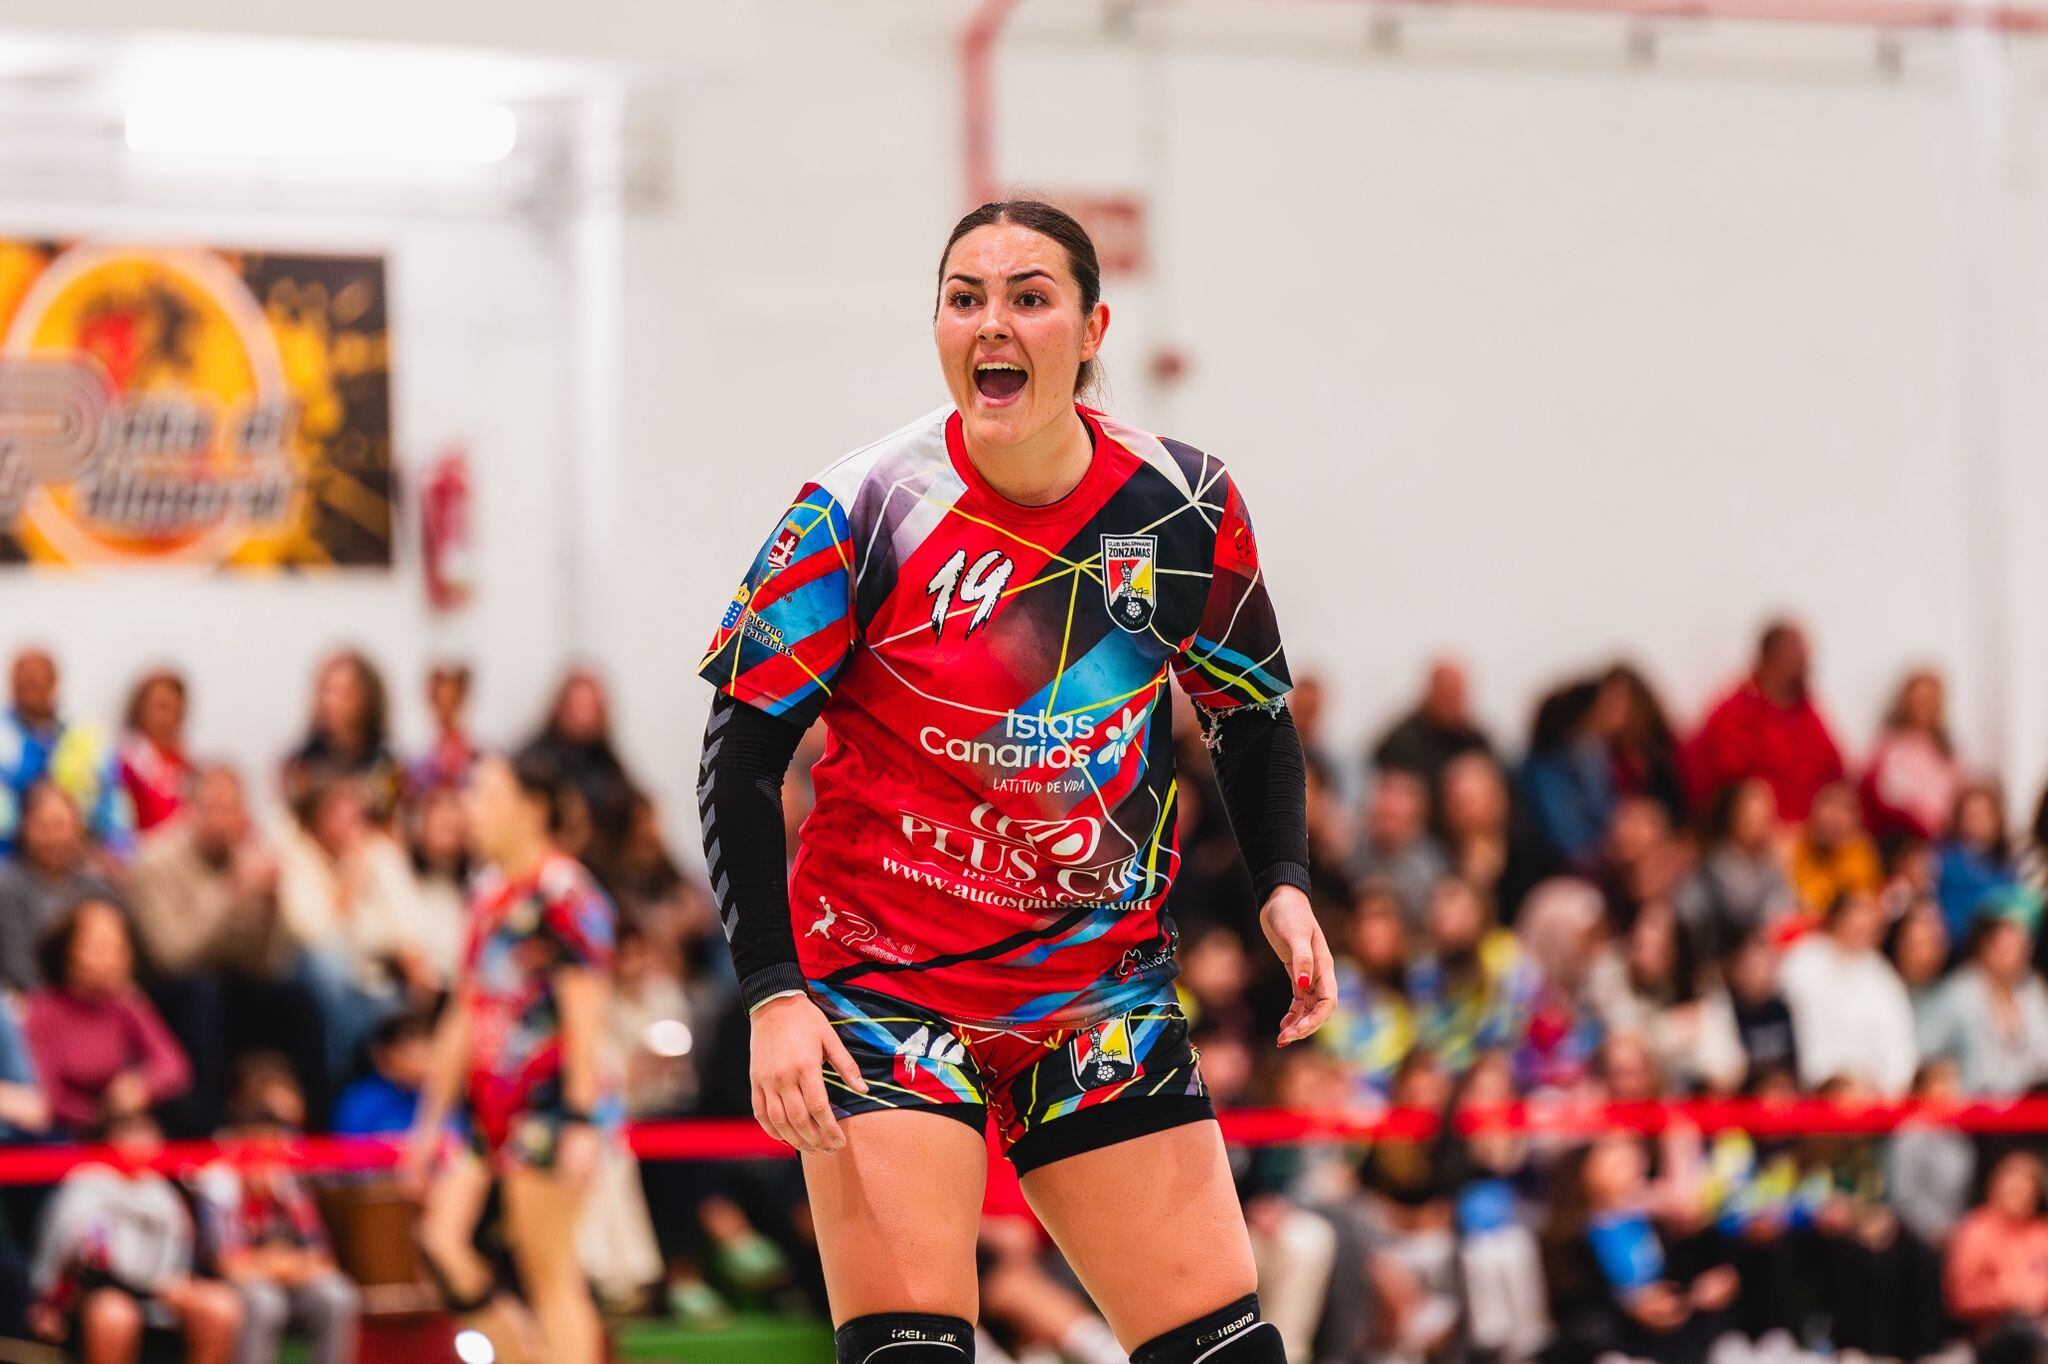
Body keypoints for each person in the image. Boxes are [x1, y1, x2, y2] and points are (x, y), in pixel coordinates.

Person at [695, 199, 1332, 1364]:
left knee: (1225, 1352)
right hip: (883, 981)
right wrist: (775, 992)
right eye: (964, 297)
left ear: (1090, 329)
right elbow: (738, 755)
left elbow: (1248, 715)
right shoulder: (858, 507)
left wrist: (1282, 883)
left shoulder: (1182, 502)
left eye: (1028, 297)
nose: (992, 322)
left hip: (1092, 986)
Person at [407, 752, 615, 1364]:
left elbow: (585, 1013)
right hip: (487, 1108)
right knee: (439, 1243)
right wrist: (427, 1124)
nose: (471, 809)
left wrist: (580, 1120)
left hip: (550, 1106)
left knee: (549, 1271)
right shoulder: (487, 893)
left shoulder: (565, 892)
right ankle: (523, 1353)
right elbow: (464, 1010)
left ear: (532, 808)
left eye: (487, 796)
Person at [28, 1111, 242, 1364]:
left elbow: (183, 1259)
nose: (142, 1143)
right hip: (98, 1291)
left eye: (147, 1134)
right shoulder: (86, 1186)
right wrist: (158, 1285)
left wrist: (173, 1285)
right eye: (131, 1134)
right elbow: (90, 1261)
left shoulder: (164, 1194)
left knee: (220, 1306)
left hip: (161, 1292)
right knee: (116, 1315)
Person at [194, 1058, 360, 1364]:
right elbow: (227, 1264)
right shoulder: (218, 1184)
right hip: (234, 1288)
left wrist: (280, 1265)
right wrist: (281, 1264)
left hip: (288, 1281)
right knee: (264, 1300)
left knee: (337, 1295)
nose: (266, 1159)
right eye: (257, 1150)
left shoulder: (289, 1181)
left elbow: (322, 1258)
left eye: (273, 1148)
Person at [23, 899, 193, 1136]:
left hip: (121, 1123)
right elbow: (45, 1092)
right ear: (68, 953)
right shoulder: (43, 1011)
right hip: (65, 1133)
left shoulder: (126, 1003)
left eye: (119, 949)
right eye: (99, 949)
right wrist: (97, 1117)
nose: (111, 960)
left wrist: (140, 1087)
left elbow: (173, 1065)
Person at [1681, 621, 1846, 822]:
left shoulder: (1810, 717)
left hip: (1805, 833)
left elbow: (1834, 775)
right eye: (1794, 655)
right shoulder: (1733, 713)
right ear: (1770, 658)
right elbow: (1711, 780)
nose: (1804, 665)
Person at [1778, 890, 1918, 1095]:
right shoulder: (1800, 963)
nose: (1860, 929)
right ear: (1836, 919)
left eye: (1868, 924)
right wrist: (1828, 1084)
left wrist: (1885, 1087)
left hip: (1872, 1095)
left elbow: (1900, 1046)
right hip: (1810, 1092)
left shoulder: (1883, 977)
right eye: (1855, 920)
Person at [0, 647, 133, 857]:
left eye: (36, 682)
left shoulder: (86, 737)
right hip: (9, 857)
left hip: (80, 854)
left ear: (54, 682)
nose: (29, 689)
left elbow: (113, 802)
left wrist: (116, 850)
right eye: (22, 682)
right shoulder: (4, 736)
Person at [0, 781, 126, 993]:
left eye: (60, 826)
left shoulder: (98, 889)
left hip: (99, 996)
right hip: (29, 1000)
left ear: (77, 829)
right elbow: (16, 965)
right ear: (26, 829)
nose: (54, 838)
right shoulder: (7, 888)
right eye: (44, 827)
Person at [1919, 909, 2048, 1095]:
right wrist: (1936, 1075)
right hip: (1972, 1103)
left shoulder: (2032, 991)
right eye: (2007, 949)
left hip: (2026, 1103)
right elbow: (1923, 1047)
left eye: (2023, 948)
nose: (2018, 958)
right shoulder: (1961, 992)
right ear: (1985, 948)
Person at [281, 650, 402, 826]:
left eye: (340, 692)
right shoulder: (300, 763)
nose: (329, 702)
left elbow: (386, 813)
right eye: (325, 691)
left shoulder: (385, 764)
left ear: (365, 698)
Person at [1946, 1151, 2048, 1343]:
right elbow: (1962, 1298)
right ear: (1996, 1188)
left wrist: (2038, 1295)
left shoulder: (2042, 1233)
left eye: (2026, 1189)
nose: (2019, 1195)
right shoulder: (1976, 1231)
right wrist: (2007, 1296)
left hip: (2040, 1322)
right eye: (2012, 1190)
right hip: (1994, 1330)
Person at [1370, 656, 1499, 803]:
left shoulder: (1476, 741)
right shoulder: (1401, 742)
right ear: (1430, 691)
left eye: (1457, 692)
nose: (1452, 700)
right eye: (1446, 691)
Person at [1860, 668, 1962, 845]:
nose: (1924, 707)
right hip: (1896, 840)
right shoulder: (1887, 745)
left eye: (1930, 700)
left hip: (1938, 842)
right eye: (1919, 699)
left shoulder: (1947, 752)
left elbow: (1956, 801)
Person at [1938, 782, 2023, 945]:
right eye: (1971, 815)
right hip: (1955, 944)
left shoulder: (2007, 866)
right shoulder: (1944, 861)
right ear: (1958, 819)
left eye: (1984, 814)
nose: (1977, 821)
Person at [1788, 781, 1884, 917]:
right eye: (1829, 804)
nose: (1834, 816)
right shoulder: (1790, 844)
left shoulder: (1862, 862)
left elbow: (1859, 913)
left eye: (1844, 810)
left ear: (1856, 823)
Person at [116, 669, 194, 836]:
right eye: (162, 707)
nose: (169, 716)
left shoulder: (187, 765)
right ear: (141, 709)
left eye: (176, 708)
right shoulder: (125, 762)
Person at [408, 661, 479, 800]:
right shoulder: (417, 754)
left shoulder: (474, 753)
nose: (445, 701)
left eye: (453, 697)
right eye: (437, 696)